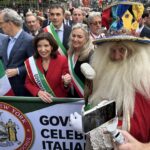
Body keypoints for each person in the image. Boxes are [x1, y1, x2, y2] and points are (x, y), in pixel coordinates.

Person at [25, 32, 71, 103]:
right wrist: (38, 92)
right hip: (39, 103)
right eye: (39, 46)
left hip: (58, 103)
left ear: (52, 47)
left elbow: (66, 87)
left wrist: (66, 83)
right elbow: (28, 83)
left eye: (46, 46)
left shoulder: (62, 60)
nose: (42, 49)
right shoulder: (31, 62)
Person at [0, 8, 34, 96]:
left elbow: (35, 65)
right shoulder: (5, 40)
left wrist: (18, 70)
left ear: (10, 23)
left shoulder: (29, 40)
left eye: (1, 23)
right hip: (5, 90)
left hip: (22, 91)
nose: (0, 26)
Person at [67, 23, 94, 98]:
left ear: (86, 38)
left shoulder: (91, 55)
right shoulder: (69, 53)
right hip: (73, 98)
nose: (75, 39)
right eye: (73, 36)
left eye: (79, 37)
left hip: (87, 99)